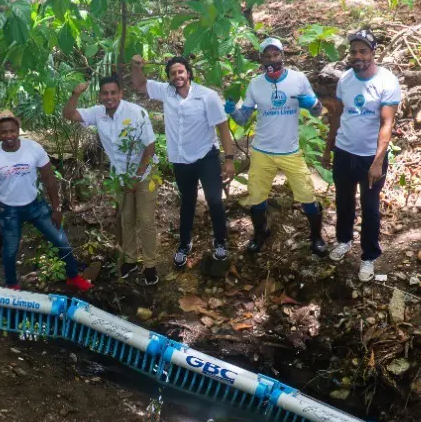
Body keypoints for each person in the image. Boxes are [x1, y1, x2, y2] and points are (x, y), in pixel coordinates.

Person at [130, 54, 237, 269]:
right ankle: (184, 244)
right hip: (180, 161)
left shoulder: (207, 96)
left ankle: (220, 242)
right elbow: (140, 84)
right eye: (172, 73)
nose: (177, 76)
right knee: (187, 201)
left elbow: (223, 127)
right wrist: (136, 66)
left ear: (188, 73)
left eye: (180, 71)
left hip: (206, 157)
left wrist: (229, 159)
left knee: (214, 201)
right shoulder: (167, 92)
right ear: (169, 77)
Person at [0, 115, 93, 292]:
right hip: (9, 210)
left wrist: (56, 209)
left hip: (36, 206)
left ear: (18, 131)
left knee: (62, 241)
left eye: (12, 131)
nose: (9, 135)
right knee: (10, 251)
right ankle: (12, 286)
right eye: (4, 132)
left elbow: (49, 178)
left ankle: (73, 277)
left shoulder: (33, 148)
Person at [225, 37, 327, 256]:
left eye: (276, 55)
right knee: (256, 198)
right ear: (261, 59)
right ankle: (261, 234)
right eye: (267, 56)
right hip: (262, 151)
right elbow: (243, 119)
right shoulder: (256, 84)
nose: (272, 60)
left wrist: (313, 104)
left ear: (283, 56)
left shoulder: (298, 79)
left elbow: (318, 111)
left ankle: (317, 237)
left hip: (290, 151)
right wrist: (232, 110)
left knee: (307, 195)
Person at [62, 76, 160, 285]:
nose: (109, 97)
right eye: (105, 93)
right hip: (120, 177)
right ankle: (131, 260)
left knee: (145, 220)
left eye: (113, 93)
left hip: (145, 173)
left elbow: (150, 148)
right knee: (126, 219)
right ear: (100, 96)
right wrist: (75, 94)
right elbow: (68, 114)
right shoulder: (98, 113)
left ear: (121, 94)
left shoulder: (136, 113)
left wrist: (136, 177)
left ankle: (150, 265)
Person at [324, 29, 401, 281]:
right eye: (354, 51)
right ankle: (344, 241)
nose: (358, 55)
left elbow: (386, 124)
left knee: (370, 207)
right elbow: (337, 116)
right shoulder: (345, 80)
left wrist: (378, 161)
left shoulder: (387, 81)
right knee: (344, 201)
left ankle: (368, 256)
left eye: (363, 51)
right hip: (345, 152)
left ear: (372, 52)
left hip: (371, 156)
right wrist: (329, 148)